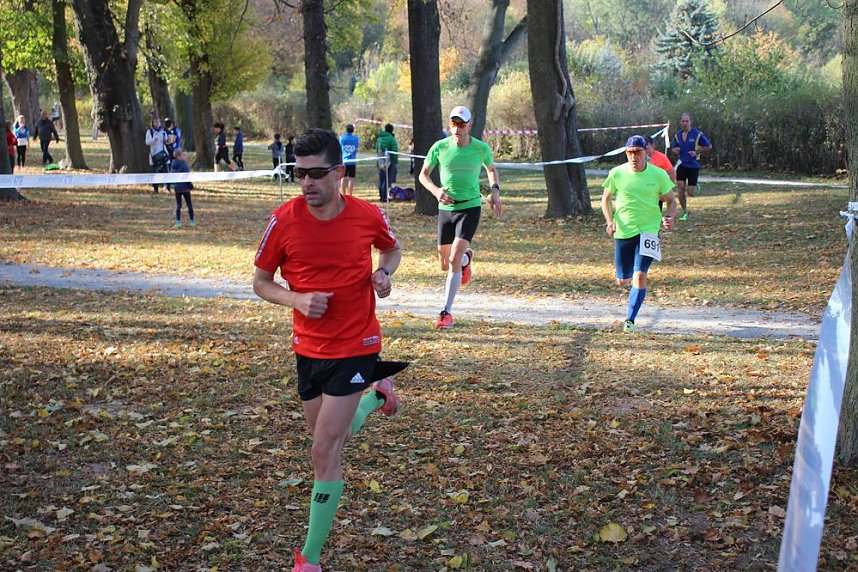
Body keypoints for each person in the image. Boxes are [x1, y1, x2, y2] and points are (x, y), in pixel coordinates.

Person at [252, 128, 403, 572]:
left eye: (317, 174)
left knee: (323, 451)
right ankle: (377, 396)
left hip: (358, 343)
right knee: (330, 440)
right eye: (300, 174)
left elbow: (392, 250)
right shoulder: (283, 221)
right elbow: (260, 282)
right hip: (309, 348)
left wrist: (383, 274)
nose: (307, 183)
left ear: (339, 172)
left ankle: (309, 558)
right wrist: (296, 299)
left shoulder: (365, 215)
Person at [418, 105, 502, 330]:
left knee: (454, 258)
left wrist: (495, 190)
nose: (457, 128)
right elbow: (423, 175)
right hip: (446, 210)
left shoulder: (480, 148)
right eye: (454, 124)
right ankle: (466, 260)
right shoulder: (440, 147)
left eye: (461, 124)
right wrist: (436, 191)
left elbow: (491, 169)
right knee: (445, 264)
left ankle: (445, 313)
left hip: (470, 207)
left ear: (470, 125)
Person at [601, 135, 677, 333]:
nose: (633, 157)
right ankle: (627, 285)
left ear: (646, 153)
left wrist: (669, 216)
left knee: (640, 275)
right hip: (624, 230)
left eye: (637, 152)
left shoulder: (658, 175)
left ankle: (630, 320)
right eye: (630, 153)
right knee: (622, 280)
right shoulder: (616, 173)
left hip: (649, 231)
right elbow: (605, 199)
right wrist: (610, 221)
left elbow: (672, 200)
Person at [670, 112, 712, 221]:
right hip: (681, 164)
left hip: (693, 165)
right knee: (680, 188)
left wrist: (697, 151)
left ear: (690, 122)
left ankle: (695, 184)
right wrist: (675, 150)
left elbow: (709, 146)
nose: (685, 123)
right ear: (680, 122)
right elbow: (673, 148)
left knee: (691, 193)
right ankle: (685, 211)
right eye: (683, 121)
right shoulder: (677, 135)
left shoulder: (697, 134)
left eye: (687, 121)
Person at [645, 135, 676, 211]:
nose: (645, 150)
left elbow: (672, 174)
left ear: (652, 145)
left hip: (656, 193)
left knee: (654, 215)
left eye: (647, 147)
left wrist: (666, 191)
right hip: (642, 192)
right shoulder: (637, 158)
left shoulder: (661, 158)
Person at [170, 148, 196, 228]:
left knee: (178, 205)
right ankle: (192, 221)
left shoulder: (173, 164)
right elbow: (186, 177)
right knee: (189, 204)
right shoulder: (184, 165)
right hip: (185, 188)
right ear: (179, 157)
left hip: (177, 188)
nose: (186, 157)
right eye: (184, 155)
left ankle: (178, 222)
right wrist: (191, 186)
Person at [145, 116, 169, 193]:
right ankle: (155, 189)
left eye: (158, 122)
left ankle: (167, 187)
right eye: (155, 122)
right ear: (152, 123)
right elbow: (147, 142)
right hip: (154, 155)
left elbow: (166, 141)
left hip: (163, 153)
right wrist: (153, 140)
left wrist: (169, 140)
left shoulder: (163, 131)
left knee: (166, 171)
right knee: (155, 172)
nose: (157, 123)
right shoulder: (150, 132)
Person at [376, 124, 398, 202]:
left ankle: (381, 196)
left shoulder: (379, 138)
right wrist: (395, 161)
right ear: (392, 130)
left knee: (381, 179)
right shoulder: (391, 139)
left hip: (380, 161)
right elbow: (394, 151)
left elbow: (377, 150)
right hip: (389, 162)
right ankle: (385, 196)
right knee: (387, 179)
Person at [339, 124, 359, 196]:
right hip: (352, 161)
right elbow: (356, 147)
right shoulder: (356, 138)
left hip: (344, 161)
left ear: (346, 130)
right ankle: (350, 195)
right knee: (351, 178)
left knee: (343, 178)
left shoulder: (342, 138)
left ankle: (343, 194)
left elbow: (340, 147)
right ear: (353, 130)